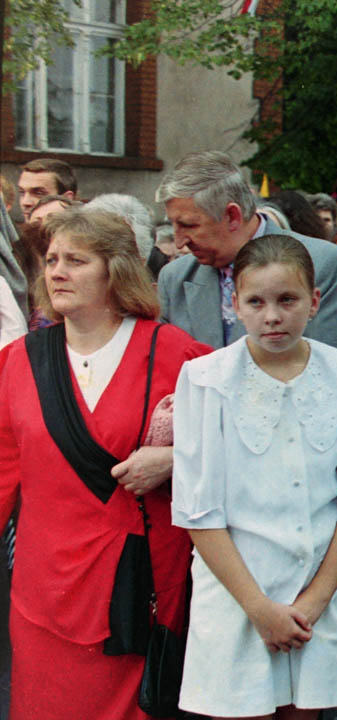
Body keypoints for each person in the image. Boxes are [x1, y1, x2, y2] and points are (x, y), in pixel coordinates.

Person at [0, 208, 210, 719]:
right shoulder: (19, 360)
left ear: (116, 270)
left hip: (140, 581)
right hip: (44, 585)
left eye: (76, 260)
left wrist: (175, 458)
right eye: (52, 260)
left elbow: (237, 449)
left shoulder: (176, 354)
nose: (57, 272)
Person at [172, 234, 337, 719]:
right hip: (236, 594)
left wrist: (315, 601)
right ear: (235, 305)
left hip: (318, 591)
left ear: (315, 301)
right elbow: (197, 511)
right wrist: (259, 608)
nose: (272, 316)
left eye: (287, 300)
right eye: (256, 302)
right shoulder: (206, 380)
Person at [156, 151, 337, 353]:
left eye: (188, 225)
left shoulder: (322, 264)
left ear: (232, 216)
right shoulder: (175, 279)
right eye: (173, 225)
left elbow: (330, 364)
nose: (179, 242)